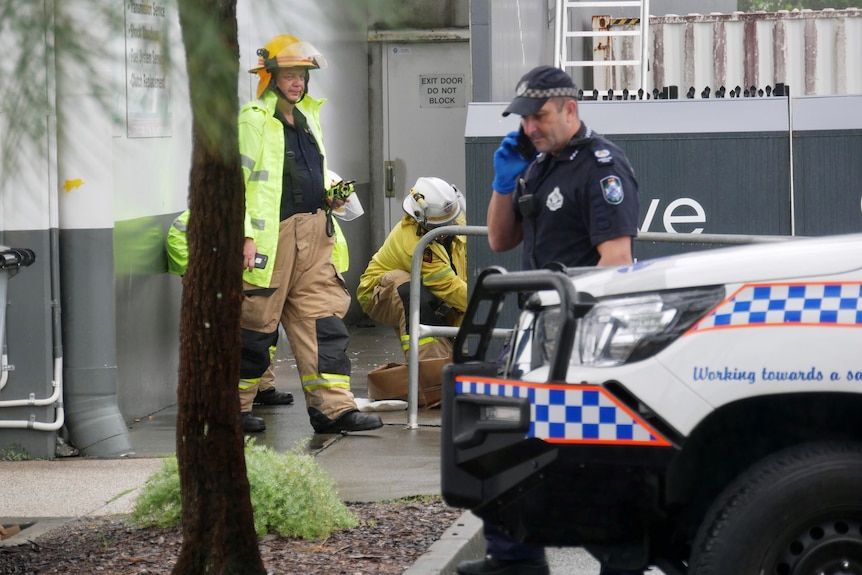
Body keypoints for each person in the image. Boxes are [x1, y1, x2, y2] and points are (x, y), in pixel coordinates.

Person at [456, 65, 641, 575]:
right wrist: (502, 182)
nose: (531, 127)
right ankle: (516, 558)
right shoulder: (537, 165)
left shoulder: (601, 167)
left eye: (539, 116)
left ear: (570, 110)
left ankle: (621, 559)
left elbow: (616, 260)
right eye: (524, 119)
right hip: (534, 331)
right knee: (498, 440)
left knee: (582, 461)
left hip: (578, 334)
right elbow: (500, 240)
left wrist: (570, 334)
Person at [237, 34, 382, 435]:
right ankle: (231, 409)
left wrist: (329, 197)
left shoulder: (308, 118)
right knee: (254, 325)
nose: (297, 82)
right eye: (289, 75)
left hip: (316, 233)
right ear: (270, 77)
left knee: (324, 324)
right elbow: (235, 182)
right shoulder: (252, 119)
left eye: (302, 75)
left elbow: (304, 173)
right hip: (271, 239)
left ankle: (334, 411)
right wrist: (245, 236)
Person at [357, 176, 467, 367]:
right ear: (420, 218)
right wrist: (485, 302)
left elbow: (459, 277)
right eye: (435, 227)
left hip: (430, 291)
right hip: (377, 294)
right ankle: (427, 368)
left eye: (449, 223)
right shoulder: (414, 244)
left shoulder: (452, 218)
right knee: (410, 293)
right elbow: (448, 287)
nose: (443, 232)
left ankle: (446, 358)